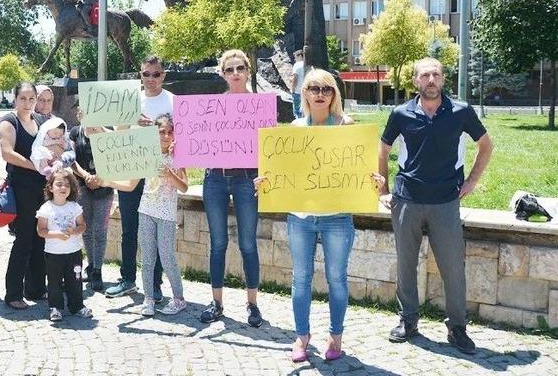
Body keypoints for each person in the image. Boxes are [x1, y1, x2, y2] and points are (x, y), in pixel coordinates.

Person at [255, 69, 382, 361]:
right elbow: (285, 172)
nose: (320, 93)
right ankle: (302, 337)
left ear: (334, 94)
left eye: (326, 88)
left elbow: (361, 169)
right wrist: (266, 182)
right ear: (306, 94)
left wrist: (373, 181)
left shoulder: (346, 126)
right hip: (300, 217)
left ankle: (335, 337)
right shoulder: (296, 128)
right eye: (314, 88)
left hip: (337, 216)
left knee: (336, 278)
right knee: (301, 279)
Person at [379, 57, 493, 354]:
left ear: (443, 79)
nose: (431, 80)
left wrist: (472, 182)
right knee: (406, 264)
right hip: (407, 200)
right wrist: (384, 189)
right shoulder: (400, 113)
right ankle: (408, 321)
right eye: (425, 75)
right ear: (415, 81)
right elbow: (382, 150)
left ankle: (457, 328)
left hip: (445, 201)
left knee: (453, 267)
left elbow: (486, 145)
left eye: (436, 75)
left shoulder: (461, 111)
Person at [200, 49, 264, 328]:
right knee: (218, 244)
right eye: (229, 70)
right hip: (215, 178)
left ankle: (253, 304)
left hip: (246, 179)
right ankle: (217, 303)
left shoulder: (260, 106)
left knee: (248, 244)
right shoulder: (213, 105)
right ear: (222, 74)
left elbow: (270, 148)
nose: (235, 74)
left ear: (248, 71)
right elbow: (200, 141)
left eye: (240, 68)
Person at [102, 114, 189, 317]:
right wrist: (107, 182)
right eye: (161, 132)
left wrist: (171, 174)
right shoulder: (146, 155)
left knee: (167, 258)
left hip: (166, 214)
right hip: (146, 211)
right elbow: (131, 185)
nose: (166, 136)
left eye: (170, 132)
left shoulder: (178, 156)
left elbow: (184, 187)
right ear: (154, 134)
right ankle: (148, 299)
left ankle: (179, 299)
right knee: (147, 259)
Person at [105, 55, 171, 301]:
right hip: (130, 169)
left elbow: (178, 138)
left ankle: (154, 284)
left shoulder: (173, 102)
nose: (151, 79)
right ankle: (128, 279)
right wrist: (130, 120)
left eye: (156, 74)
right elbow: (118, 134)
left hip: (158, 174)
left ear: (163, 75)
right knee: (129, 228)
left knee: (153, 230)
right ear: (140, 75)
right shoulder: (129, 101)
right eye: (146, 74)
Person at [0, 82, 49, 309]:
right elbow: (7, 153)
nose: (28, 103)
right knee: (24, 240)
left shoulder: (40, 121)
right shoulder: (9, 121)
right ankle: (13, 294)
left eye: (31, 99)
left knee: (40, 237)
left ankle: (36, 288)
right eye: (23, 98)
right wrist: (35, 167)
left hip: (41, 187)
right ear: (15, 99)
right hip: (21, 187)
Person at [36, 168, 93, 321]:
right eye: (59, 184)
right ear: (50, 187)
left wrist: (74, 231)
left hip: (73, 252)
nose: (63, 188)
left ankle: (77, 306)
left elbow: (83, 226)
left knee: (75, 280)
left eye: (67, 185)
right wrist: (57, 235)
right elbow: (41, 230)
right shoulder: (46, 208)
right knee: (54, 282)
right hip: (53, 253)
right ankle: (55, 307)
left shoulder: (74, 207)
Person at [69, 110, 114, 292]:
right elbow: (71, 160)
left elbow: (115, 155)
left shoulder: (106, 130)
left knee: (100, 231)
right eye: (81, 111)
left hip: (105, 186)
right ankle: (91, 265)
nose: (84, 114)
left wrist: (100, 178)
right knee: (86, 229)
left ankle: (98, 271)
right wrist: (87, 176)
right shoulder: (75, 132)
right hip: (82, 186)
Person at [290, 50, 305, 118]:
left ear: (300, 56)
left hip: (298, 91)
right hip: (306, 91)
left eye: (295, 57)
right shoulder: (307, 65)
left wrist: (292, 89)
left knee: (297, 112)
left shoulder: (297, 65)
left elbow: (295, 78)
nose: (294, 59)